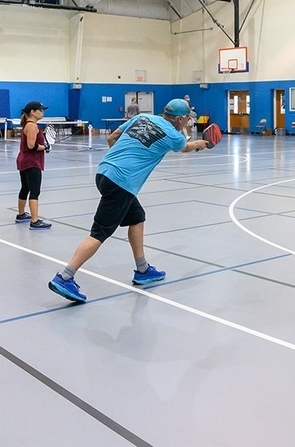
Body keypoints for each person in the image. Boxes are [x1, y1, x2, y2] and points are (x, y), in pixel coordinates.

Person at [48, 98, 210, 303]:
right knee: (99, 233)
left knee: (137, 217)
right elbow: (183, 148)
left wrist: (122, 160)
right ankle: (65, 276)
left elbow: (112, 138)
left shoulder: (142, 117)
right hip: (122, 183)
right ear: (179, 119)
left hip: (104, 173)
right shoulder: (173, 135)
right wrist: (196, 144)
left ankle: (142, 269)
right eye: (187, 118)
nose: (187, 121)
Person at [15, 101, 52, 229]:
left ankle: (21, 215)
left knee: (25, 188)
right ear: (32, 112)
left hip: (24, 160)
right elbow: (31, 146)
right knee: (35, 191)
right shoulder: (32, 126)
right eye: (40, 110)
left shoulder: (29, 124)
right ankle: (35, 221)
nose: (42, 112)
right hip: (31, 162)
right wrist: (44, 147)